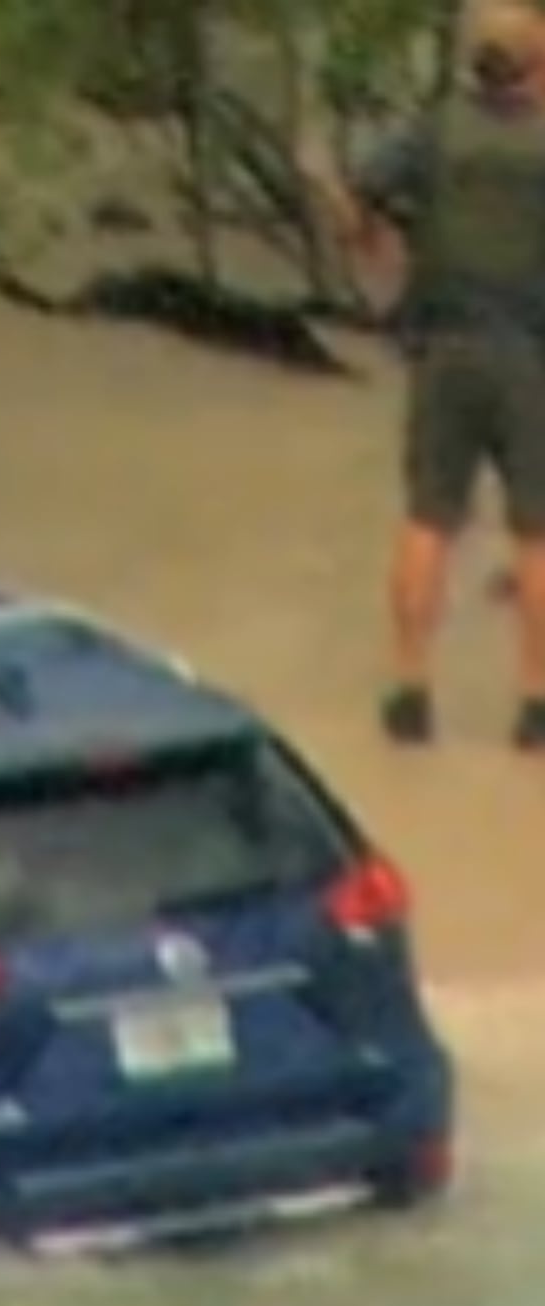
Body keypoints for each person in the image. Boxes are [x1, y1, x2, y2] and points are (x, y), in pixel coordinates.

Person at [331, 1, 545, 747]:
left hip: (443, 352)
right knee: (537, 534)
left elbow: (353, 192)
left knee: (428, 519)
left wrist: (372, 241)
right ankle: (536, 703)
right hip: (530, 358)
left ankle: (410, 690)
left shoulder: (435, 131)